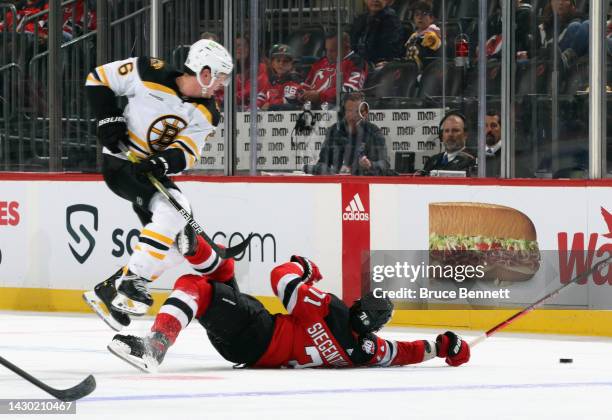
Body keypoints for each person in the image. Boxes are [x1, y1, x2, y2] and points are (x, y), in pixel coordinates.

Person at [107, 236, 471, 372]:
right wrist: (442, 346)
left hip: (258, 330)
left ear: (358, 303)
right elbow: (404, 351)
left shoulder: (327, 306)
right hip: (248, 348)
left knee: (194, 286)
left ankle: (155, 347)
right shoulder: (365, 351)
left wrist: (305, 268)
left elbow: (279, 278)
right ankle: (195, 246)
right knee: (224, 268)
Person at [82, 39, 233, 330]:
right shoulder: (149, 71)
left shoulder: (208, 112)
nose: (221, 84)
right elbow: (98, 78)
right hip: (120, 162)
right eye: (220, 76)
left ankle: (110, 291)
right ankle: (132, 282)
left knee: (181, 241)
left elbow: (187, 151)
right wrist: (108, 118)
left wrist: (161, 163)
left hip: (148, 170)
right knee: (178, 211)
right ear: (204, 72)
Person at [308, 92, 390, 176]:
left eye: (357, 111)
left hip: (364, 182)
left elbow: (385, 164)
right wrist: (328, 171)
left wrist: (370, 165)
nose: (353, 115)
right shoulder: (333, 131)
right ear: (343, 112)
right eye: (350, 111)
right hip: (337, 183)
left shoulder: (374, 132)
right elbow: (322, 163)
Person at [298, 31, 367, 107]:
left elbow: (350, 90)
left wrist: (320, 96)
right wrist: (302, 93)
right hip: (309, 106)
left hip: (334, 108)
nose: (328, 54)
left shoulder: (356, 63)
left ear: (346, 47)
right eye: (327, 50)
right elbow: (306, 84)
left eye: (332, 51)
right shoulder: (321, 62)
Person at [351, 0, 406, 67]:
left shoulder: (391, 22)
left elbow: (389, 53)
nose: (375, 0)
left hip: (378, 68)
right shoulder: (360, 19)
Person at [256, 44, 302, 110]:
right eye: (278, 60)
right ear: (273, 64)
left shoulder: (295, 81)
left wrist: (269, 105)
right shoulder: (271, 82)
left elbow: (288, 101)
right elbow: (260, 98)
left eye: (285, 61)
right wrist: (255, 107)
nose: (281, 63)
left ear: (291, 64)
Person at [404, 1, 441, 71]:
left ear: (431, 18)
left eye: (424, 14)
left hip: (426, 72)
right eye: (417, 14)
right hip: (409, 70)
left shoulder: (432, 36)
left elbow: (429, 59)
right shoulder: (414, 35)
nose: (420, 17)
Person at [484, 110, 502, 178]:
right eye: (485, 125)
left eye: (493, 125)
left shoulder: (510, 156)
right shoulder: (473, 155)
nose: (489, 130)